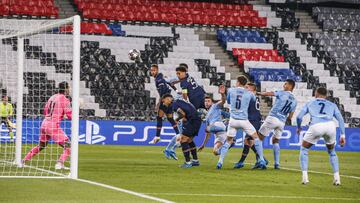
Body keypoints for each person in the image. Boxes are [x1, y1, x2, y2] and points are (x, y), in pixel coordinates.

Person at [297, 87, 345, 185]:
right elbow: (340, 119)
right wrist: (343, 135)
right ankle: (337, 178)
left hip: (316, 126)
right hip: (330, 126)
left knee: (304, 149)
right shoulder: (332, 105)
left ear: (316, 93)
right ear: (326, 95)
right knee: (332, 152)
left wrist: (298, 127)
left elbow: (299, 117)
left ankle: (305, 178)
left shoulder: (310, 103)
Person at [217, 76, 267, 169]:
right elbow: (252, 102)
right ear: (244, 84)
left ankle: (220, 162)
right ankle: (262, 159)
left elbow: (227, 101)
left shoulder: (231, 90)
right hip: (244, 120)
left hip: (233, 120)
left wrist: (223, 94)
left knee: (228, 141)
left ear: (238, 82)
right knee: (256, 138)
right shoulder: (250, 94)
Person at [23, 82, 72, 170]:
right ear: (66, 89)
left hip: (45, 123)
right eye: (69, 88)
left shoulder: (52, 97)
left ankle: (23, 160)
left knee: (41, 145)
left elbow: (46, 111)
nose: (70, 90)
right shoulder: (65, 99)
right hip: (53, 125)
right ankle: (60, 163)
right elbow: (70, 116)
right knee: (69, 145)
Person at [256, 79, 297, 169]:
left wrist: (258, 93)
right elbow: (290, 117)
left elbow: (270, 94)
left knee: (258, 138)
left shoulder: (282, 93)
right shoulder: (295, 101)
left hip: (273, 118)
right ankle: (277, 163)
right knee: (275, 141)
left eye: (286, 84)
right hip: (282, 122)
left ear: (290, 86)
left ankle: (261, 160)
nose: (284, 85)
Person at [148, 64, 180, 160]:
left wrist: (159, 103)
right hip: (170, 98)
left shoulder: (159, 79)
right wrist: (176, 90)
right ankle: (178, 135)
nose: (152, 72)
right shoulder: (160, 77)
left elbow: (162, 92)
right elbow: (170, 83)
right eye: (151, 70)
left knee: (159, 117)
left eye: (154, 70)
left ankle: (157, 136)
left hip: (165, 99)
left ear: (157, 70)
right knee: (170, 118)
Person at [162, 94, 202, 168]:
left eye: (164, 102)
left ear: (167, 99)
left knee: (183, 140)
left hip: (192, 120)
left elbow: (182, 114)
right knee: (189, 140)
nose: (164, 104)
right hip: (197, 119)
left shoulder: (174, 105)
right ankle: (195, 161)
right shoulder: (179, 101)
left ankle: (188, 162)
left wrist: (176, 119)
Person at [234, 83, 268, 169]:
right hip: (253, 120)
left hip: (254, 120)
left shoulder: (249, 96)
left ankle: (243, 162)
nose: (245, 89)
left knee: (247, 140)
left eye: (247, 88)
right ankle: (261, 159)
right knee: (249, 142)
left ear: (252, 90)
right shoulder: (253, 96)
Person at [198, 85, 228, 157]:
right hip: (218, 135)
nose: (206, 103)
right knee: (215, 152)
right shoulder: (207, 117)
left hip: (219, 125)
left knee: (208, 128)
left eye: (208, 101)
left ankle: (226, 128)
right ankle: (228, 144)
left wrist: (222, 94)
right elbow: (208, 134)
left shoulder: (215, 106)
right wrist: (203, 145)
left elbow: (223, 101)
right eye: (205, 101)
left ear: (212, 102)